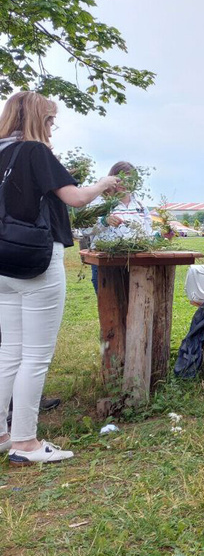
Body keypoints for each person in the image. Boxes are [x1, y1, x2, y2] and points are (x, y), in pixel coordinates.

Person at [0, 91, 119, 464]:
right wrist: (103, 184)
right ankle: (26, 442)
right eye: (50, 120)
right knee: (35, 357)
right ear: (37, 119)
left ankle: (4, 434)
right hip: (37, 257)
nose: (52, 127)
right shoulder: (36, 153)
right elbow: (76, 198)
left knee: (7, 354)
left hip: (4, 261)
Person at [78, 161, 153, 293]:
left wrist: (159, 236)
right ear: (112, 180)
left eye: (130, 179)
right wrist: (104, 221)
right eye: (121, 179)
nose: (125, 183)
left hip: (136, 264)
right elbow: (85, 229)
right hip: (106, 263)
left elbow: (147, 234)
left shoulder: (140, 206)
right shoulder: (100, 202)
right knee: (110, 309)